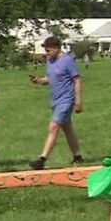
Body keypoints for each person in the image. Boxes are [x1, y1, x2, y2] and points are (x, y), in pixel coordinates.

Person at [29, 36, 83, 170]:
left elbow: (77, 80)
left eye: (48, 50)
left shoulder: (67, 60)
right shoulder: (50, 61)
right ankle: (77, 156)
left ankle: (42, 159)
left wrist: (78, 101)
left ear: (56, 48)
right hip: (55, 100)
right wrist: (39, 80)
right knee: (67, 128)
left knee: (53, 126)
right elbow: (50, 77)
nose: (46, 53)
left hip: (66, 99)